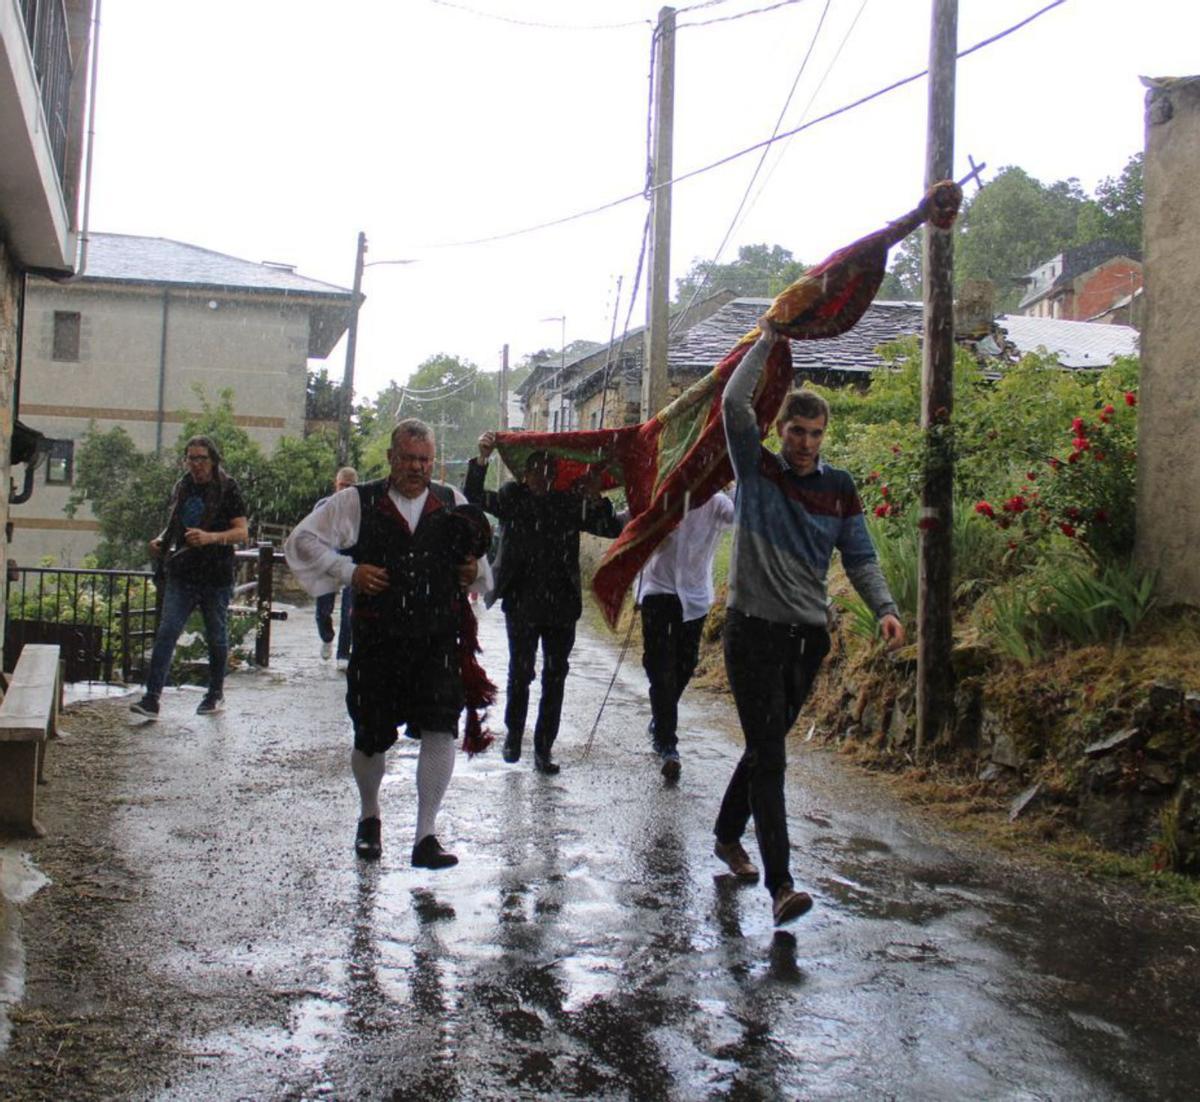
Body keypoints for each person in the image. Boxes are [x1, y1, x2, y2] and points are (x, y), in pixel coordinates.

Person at [715, 316, 905, 927]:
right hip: (751, 633)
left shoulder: (840, 488)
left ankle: (726, 833)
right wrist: (768, 340)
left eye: (815, 433)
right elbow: (732, 401)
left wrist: (886, 610)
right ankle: (781, 886)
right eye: (796, 431)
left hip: (807, 640)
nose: (804, 443)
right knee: (771, 756)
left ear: (825, 435)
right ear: (781, 431)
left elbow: (861, 555)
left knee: (765, 746)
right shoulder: (756, 469)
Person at [284, 419, 492, 868]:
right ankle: (369, 816)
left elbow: (481, 567)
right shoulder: (358, 502)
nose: (417, 468)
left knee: (441, 727)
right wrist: (348, 572)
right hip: (379, 639)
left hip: (437, 638)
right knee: (371, 736)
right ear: (391, 458)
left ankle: (425, 836)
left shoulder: (452, 502)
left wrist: (470, 571)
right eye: (409, 459)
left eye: (425, 460)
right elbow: (300, 540)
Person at [464, 431, 623, 774]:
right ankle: (514, 736)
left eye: (549, 472)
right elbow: (473, 497)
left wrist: (595, 498)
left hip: (562, 606)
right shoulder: (511, 498)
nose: (542, 477)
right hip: (521, 602)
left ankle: (544, 749)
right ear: (525, 474)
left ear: (555, 476)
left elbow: (609, 528)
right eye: (536, 470)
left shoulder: (569, 503)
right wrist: (482, 459)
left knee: (556, 675)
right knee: (521, 673)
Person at [130, 436, 249, 719]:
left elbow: (242, 532)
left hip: (215, 575)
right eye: (191, 458)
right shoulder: (182, 486)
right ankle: (152, 698)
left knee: (216, 636)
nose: (196, 464)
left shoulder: (227, 488)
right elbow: (175, 524)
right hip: (182, 572)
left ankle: (214, 693)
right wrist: (161, 540)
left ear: (213, 460)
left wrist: (211, 538)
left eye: (201, 458)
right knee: (167, 632)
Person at [637, 488, 734, 781]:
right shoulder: (662, 495)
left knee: (685, 664)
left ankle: (661, 719)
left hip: (694, 598)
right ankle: (668, 745)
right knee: (660, 669)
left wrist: (742, 476)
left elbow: (742, 515)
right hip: (658, 592)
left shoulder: (718, 504)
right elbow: (631, 520)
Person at [313, 466, 358, 667]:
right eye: (342, 485)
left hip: (352, 564)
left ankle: (343, 653)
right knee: (323, 610)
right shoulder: (323, 506)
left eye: (350, 486)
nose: (346, 490)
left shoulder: (363, 509)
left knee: (350, 611)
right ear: (336, 485)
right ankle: (327, 636)